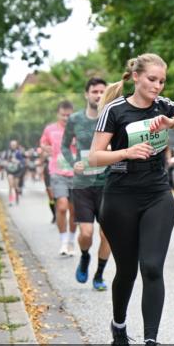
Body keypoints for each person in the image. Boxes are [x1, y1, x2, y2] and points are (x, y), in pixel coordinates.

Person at [90, 54, 174, 346]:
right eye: (152, 79)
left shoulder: (165, 106)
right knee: (127, 270)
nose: (157, 86)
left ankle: (151, 341)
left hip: (157, 195)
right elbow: (95, 157)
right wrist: (126, 152)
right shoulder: (115, 110)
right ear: (136, 77)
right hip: (120, 197)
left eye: (161, 81)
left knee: (151, 267)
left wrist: (173, 123)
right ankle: (119, 326)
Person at [62, 78, 113, 291]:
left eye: (102, 91)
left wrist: (112, 153)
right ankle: (84, 256)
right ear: (86, 94)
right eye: (94, 91)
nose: (99, 95)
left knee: (107, 234)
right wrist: (75, 164)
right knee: (86, 233)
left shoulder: (111, 117)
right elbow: (65, 146)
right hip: (82, 184)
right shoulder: (74, 119)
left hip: (107, 183)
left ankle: (99, 275)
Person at [40, 100, 78, 254]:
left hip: (76, 173)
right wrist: (45, 149)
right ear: (58, 114)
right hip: (57, 172)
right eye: (63, 115)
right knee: (62, 207)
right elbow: (43, 144)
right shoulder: (50, 129)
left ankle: (71, 240)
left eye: (69, 115)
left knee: (74, 211)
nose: (66, 118)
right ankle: (63, 241)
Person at [1, 140, 27, 205]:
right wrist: (5, 163)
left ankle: (17, 195)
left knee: (16, 186)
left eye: (14, 145)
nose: (13, 146)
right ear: (10, 145)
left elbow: (23, 162)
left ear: (16, 145)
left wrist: (17, 161)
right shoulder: (7, 152)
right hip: (10, 171)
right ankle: (10, 200)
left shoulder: (19, 153)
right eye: (12, 145)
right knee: (10, 186)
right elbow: (2, 161)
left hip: (17, 171)